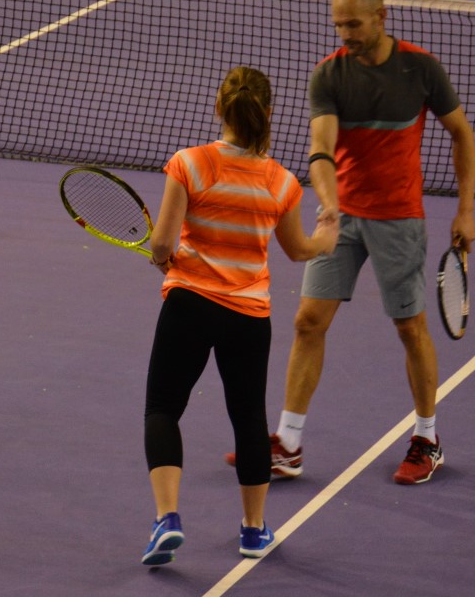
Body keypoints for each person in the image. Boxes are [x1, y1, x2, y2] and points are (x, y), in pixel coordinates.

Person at [229, 0, 475, 486]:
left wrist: (465, 210)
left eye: (354, 24)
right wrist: (329, 204)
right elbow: (321, 149)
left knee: (409, 327)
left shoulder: (421, 69)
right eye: (339, 25)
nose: (345, 34)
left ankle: (427, 439)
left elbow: (461, 134)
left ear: (382, 16)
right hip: (341, 217)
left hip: (399, 218)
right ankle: (288, 444)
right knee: (308, 322)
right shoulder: (329, 74)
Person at [139, 66, 338, 566]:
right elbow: (298, 250)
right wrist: (326, 238)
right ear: (267, 114)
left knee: (163, 409)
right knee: (248, 418)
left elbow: (162, 242)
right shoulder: (282, 183)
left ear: (218, 107)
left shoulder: (189, 164)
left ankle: (167, 519)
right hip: (248, 316)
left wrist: (162, 257)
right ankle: (253, 530)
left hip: (188, 305)